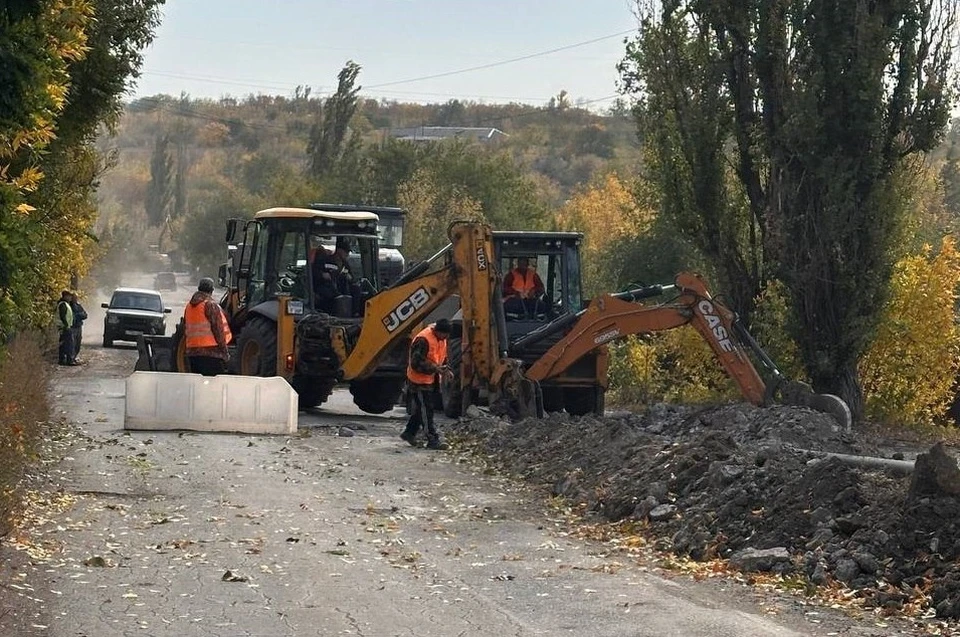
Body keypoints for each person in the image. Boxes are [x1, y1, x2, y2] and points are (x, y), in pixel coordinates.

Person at [400, 319, 452, 450]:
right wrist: (436, 369)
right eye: (444, 335)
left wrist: (445, 370)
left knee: (421, 409)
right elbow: (416, 363)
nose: (446, 338)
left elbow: (441, 358)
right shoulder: (423, 339)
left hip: (430, 380)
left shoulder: (441, 339)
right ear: (438, 331)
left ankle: (409, 433)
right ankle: (432, 439)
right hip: (418, 381)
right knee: (426, 410)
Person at [184, 277, 232, 376]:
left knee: (199, 386)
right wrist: (225, 352)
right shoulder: (210, 305)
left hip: (193, 353)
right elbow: (218, 330)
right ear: (212, 290)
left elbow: (186, 330)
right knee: (213, 386)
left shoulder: (189, 307)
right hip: (211, 353)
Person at [56, 290, 77, 366]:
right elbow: (63, 316)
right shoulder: (63, 305)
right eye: (69, 296)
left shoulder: (65, 304)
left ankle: (63, 359)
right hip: (65, 327)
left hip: (65, 326)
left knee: (63, 343)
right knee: (69, 344)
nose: (71, 297)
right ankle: (69, 360)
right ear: (65, 296)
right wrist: (66, 325)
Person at [70, 292, 88, 362]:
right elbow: (72, 315)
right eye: (74, 298)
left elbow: (85, 315)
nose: (75, 299)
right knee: (72, 343)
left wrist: (79, 315)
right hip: (72, 327)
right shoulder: (69, 305)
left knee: (78, 342)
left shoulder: (78, 305)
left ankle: (75, 356)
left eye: (76, 298)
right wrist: (79, 315)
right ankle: (71, 357)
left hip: (78, 326)